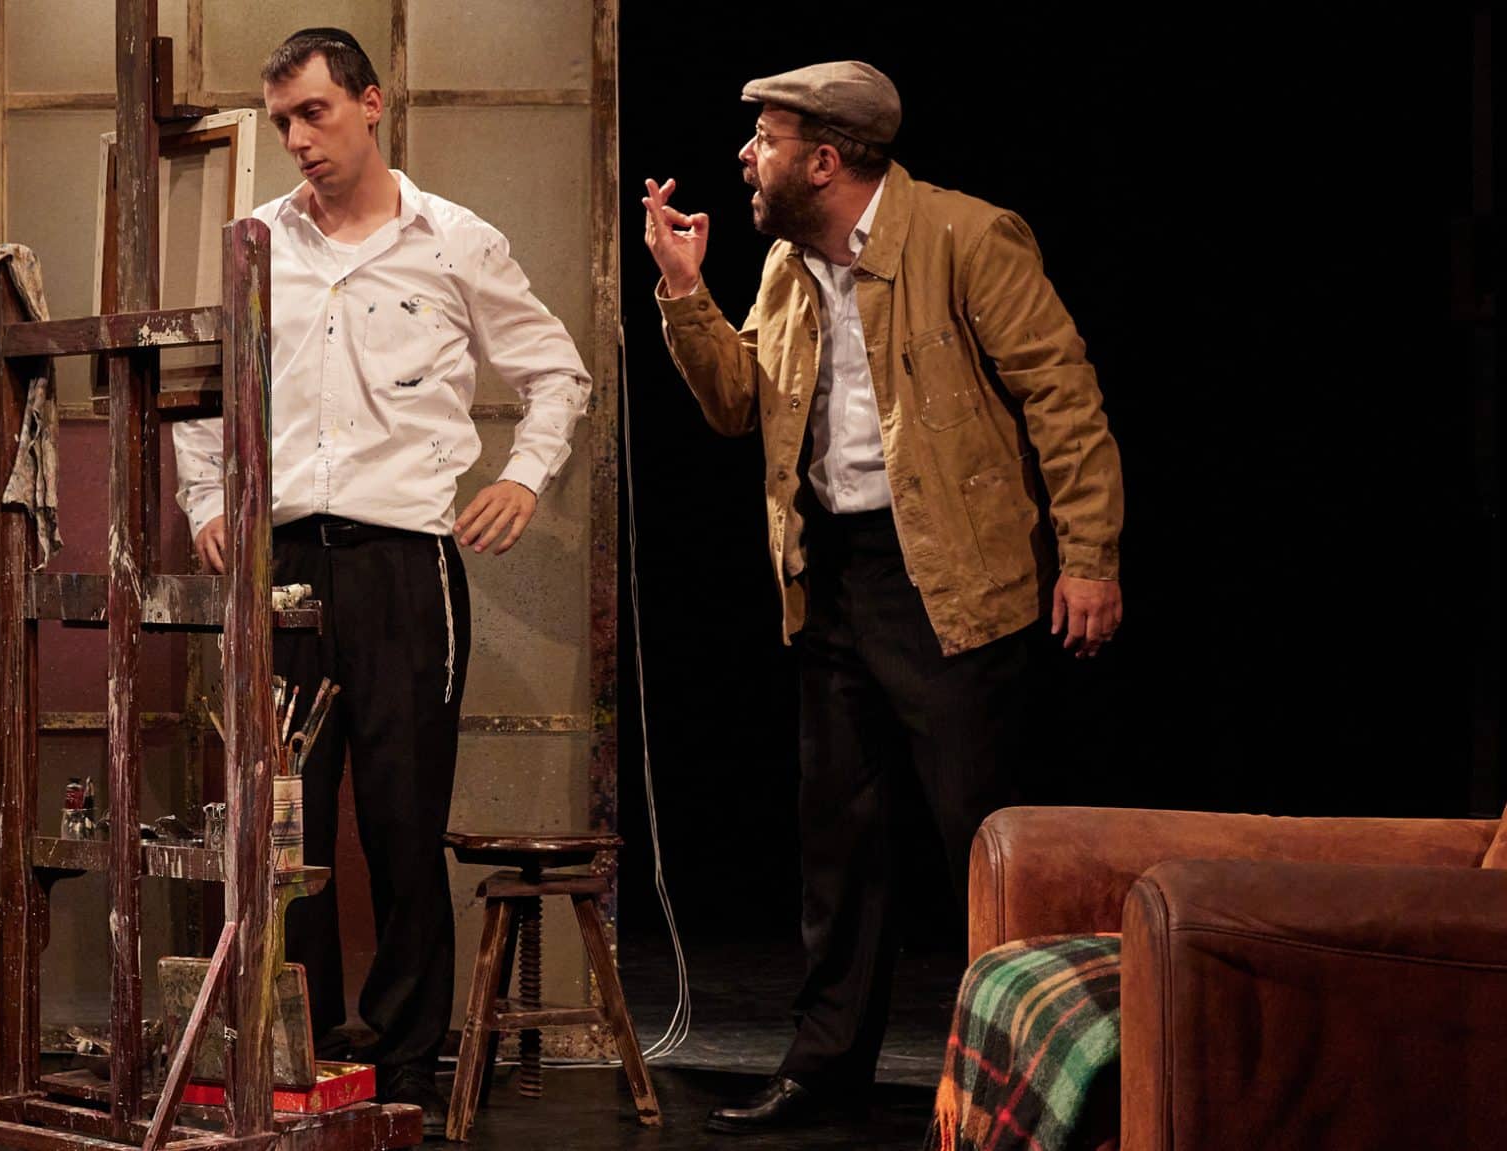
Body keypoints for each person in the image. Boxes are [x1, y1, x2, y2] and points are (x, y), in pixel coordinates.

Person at [641, 59, 1125, 1133]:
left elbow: (1062, 395)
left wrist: (1088, 554)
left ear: (824, 160)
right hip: (830, 574)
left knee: (979, 840)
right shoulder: (786, 265)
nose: (745, 157)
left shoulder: (966, 237)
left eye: (765, 140)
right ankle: (826, 1067)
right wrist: (682, 291)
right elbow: (736, 405)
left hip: (950, 576)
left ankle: (1021, 1074)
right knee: (839, 838)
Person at [172, 27, 592, 1135]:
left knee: (404, 819)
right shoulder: (256, 242)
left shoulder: (453, 240)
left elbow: (556, 373)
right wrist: (206, 501)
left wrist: (524, 476)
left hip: (405, 561)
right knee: (286, 827)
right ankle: (298, 1050)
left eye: (314, 113)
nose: (298, 140)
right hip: (282, 562)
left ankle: (404, 1058)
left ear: (370, 103)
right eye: (281, 123)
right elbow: (202, 384)